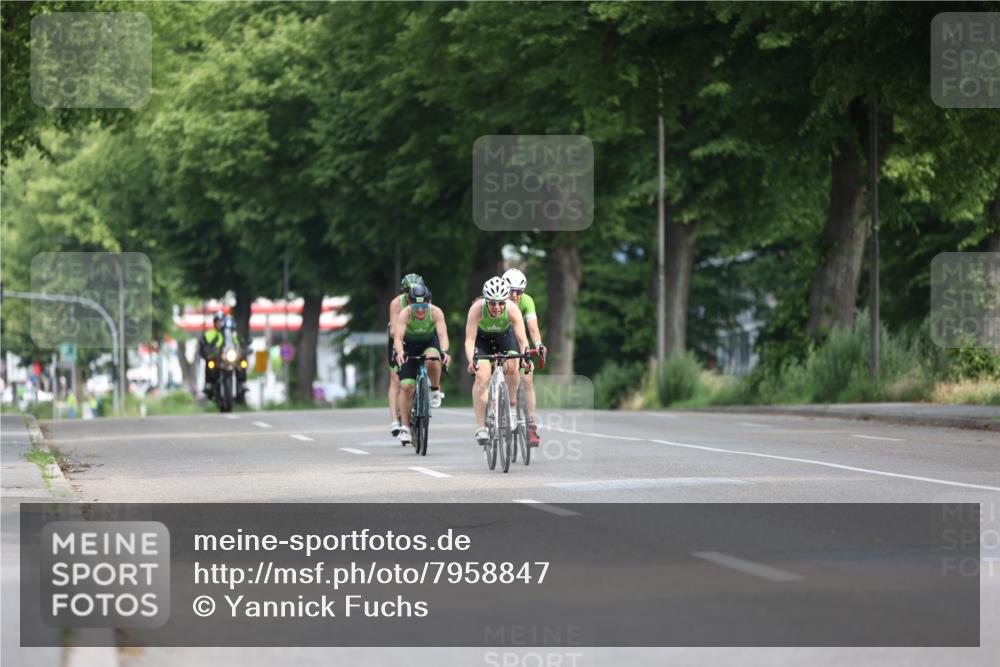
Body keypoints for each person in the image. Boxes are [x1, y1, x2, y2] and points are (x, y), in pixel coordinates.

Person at [464, 276, 532, 446]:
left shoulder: (512, 309)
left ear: (506, 300)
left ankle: (510, 408)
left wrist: (526, 357)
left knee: (514, 366)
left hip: (505, 339)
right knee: (482, 375)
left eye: (501, 303)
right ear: (486, 300)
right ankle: (481, 426)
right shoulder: (476, 309)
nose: (496, 307)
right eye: (492, 303)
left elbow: (522, 340)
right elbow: (470, 340)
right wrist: (472, 361)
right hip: (482, 341)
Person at [392, 284, 450, 444]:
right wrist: (400, 352)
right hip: (408, 347)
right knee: (407, 387)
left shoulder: (436, 313)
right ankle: (405, 426)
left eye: (423, 306)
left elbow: (443, 335)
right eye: (416, 306)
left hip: (428, 344)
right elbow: (397, 339)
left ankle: (435, 389)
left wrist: (444, 350)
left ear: (428, 302)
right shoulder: (405, 314)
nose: (420, 310)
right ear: (410, 304)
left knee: (433, 357)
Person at [502, 268, 546, 446]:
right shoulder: (498, 301)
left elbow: (533, 329)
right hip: (500, 340)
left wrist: (538, 345)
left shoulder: (527, 301)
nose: (514, 295)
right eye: (510, 291)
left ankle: (531, 426)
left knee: (527, 378)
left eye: (518, 291)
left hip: (519, 342)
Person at [387, 273, 425, 436]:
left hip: (418, 337)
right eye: (408, 291)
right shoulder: (397, 303)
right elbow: (394, 331)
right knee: (396, 378)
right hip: (399, 338)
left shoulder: (423, 299)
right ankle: (395, 420)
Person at [199, 310, 226, 399]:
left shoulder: (229, 334)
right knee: (209, 363)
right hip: (215, 358)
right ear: (214, 323)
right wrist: (207, 351)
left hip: (226, 359)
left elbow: (237, 343)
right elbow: (203, 345)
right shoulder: (208, 334)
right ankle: (209, 384)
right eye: (218, 322)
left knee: (242, 363)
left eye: (221, 322)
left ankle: (241, 383)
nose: (220, 324)